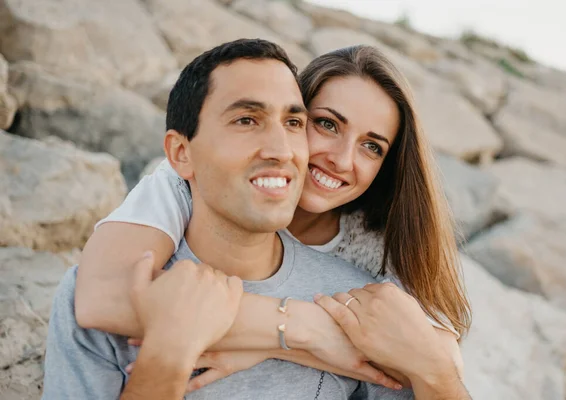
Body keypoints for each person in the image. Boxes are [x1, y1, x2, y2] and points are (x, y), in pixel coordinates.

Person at [70, 41, 471, 396]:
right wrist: (300, 330)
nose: (342, 159)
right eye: (326, 124)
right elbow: (100, 297)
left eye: (371, 146)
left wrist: (265, 345)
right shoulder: (185, 182)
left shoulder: (377, 245)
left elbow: (436, 358)